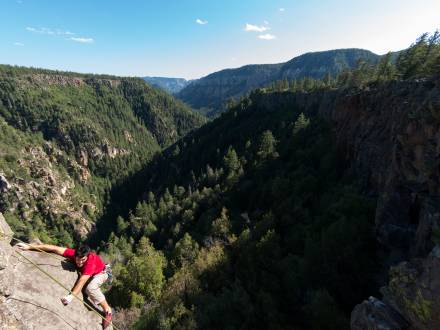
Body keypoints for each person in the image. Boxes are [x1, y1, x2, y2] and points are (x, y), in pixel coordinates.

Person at [16, 242, 113, 329]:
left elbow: (82, 280)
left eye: (83, 260)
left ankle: (107, 310)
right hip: (91, 272)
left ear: (87, 257)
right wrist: (29, 247)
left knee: (90, 288)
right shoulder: (74, 253)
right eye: (77, 259)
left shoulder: (90, 264)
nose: (79, 262)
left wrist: (70, 297)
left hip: (102, 273)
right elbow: (54, 248)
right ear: (75, 254)